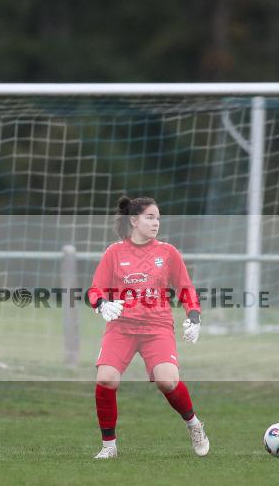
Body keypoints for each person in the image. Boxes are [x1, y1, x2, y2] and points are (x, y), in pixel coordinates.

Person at [87, 195, 208, 459]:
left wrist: (195, 316)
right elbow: (95, 289)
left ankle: (194, 424)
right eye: (150, 217)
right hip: (121, 327)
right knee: (106, 379)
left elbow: (185, 288)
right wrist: (101, 304)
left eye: (158, 218)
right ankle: (109, 447)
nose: (156, 223)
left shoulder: (168, 253)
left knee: (167, 381)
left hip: (157, 327)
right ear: (134, 220)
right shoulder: (114, 252)